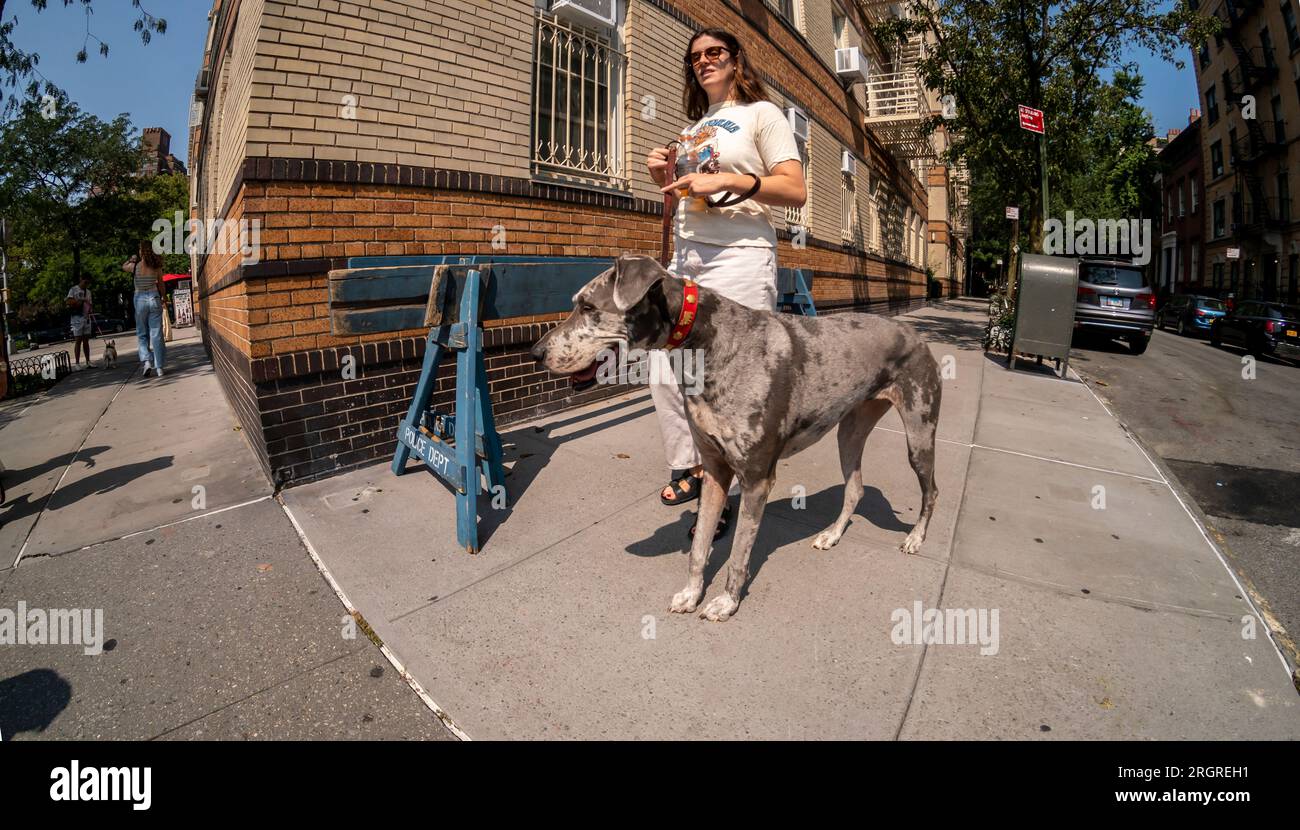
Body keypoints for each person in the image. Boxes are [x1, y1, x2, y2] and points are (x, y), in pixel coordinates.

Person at [646, 27, 807, 538]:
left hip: (740, 256)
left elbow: (795, 189)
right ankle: (694, 466)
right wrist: (663, 176)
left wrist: (731, 180)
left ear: (736, 60)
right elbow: (691, 196)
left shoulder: (763, 115)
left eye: (715, 52)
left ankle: (721, 500)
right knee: (665, 367)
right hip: (688, 259)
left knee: (735, 385)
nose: (704, 61)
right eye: (695, 56)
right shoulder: (694, 128)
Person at [123, 242, 167, 378]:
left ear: (141, 251)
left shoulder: (135, 266)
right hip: (154, 297)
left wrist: (132, 259)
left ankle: (147, 362)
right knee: (157, 334)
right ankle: (159, 368)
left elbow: (123, 266)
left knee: (142, 334)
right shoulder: (156, 265)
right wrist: (164, 297)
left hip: (140, 299)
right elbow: (161, 283)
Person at [65, 275, 94, 366]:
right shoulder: (73, 289)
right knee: (78, 340)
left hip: (86, 318)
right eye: (85, 282)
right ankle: (77, 363)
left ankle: (88, 361)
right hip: (76, 318)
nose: (86, 284)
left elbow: (90, 304)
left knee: (86, 340)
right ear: (81, 279)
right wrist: (79, 301)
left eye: (88, 283)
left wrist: (90, 308)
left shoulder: (88, 292)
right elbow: (68, 301)